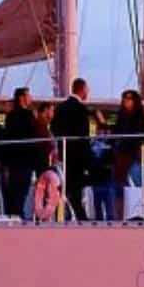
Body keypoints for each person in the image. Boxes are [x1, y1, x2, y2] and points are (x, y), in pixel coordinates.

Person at [50, 77, 94, 222]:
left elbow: (54, 128)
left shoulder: (61, 108)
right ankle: (79, 214)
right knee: (78, 183)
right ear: (81, 90)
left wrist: (62, 144)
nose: (88, 92)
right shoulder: (81, 109)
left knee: (73, 183)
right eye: (87, 89)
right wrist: (88, 154)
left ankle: (71, 210)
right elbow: (84, 134)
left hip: (66, 151)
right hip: (79, 153)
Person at [0, 87, 39, 219]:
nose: (31, 98)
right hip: (25, 159)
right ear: (22, 97)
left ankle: (13, 214)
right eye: (29, 95)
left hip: (13, 160)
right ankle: (18, 214)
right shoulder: (28, 115)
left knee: (14, 189)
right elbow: (33, 136)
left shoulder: (10, 116)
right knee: (22, 190)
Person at [110, 90, 144, 220]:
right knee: (118, 181)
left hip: (131, 154)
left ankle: (127, 211)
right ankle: (118, 213)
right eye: (125, 98)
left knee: (123, 181)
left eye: (129, 99)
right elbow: (117, 131)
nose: (126, 101)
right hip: (120, 153)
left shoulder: (139, 117)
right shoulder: (121, 116)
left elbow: (142, 134)